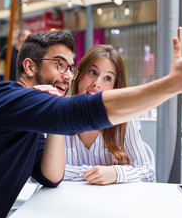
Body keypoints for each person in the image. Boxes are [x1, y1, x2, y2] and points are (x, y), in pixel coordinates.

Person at [0, 30, 182, 217]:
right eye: (59, 64)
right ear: (29, 66)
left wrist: (52, 116)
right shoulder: (4, 97)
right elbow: (77, 113)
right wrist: (172, 85)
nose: (68, 76)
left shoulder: (28, 120)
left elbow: (51, 176)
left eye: (70, 67)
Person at [63, 44, 155, 185]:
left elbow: (148, 173)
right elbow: (40, 170)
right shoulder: (59, 112)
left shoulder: (124, 119)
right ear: (79, 74)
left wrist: (116, 173)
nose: (97, 84)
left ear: (115, 87)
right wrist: (94, 174)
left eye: (107, 78)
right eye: (93, 72)